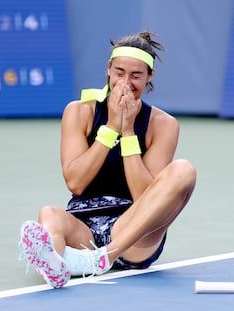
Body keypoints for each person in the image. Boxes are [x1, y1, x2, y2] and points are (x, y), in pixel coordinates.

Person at [19, 31, 197, 288]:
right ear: (109, 70)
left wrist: (127, 131)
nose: (126, 82)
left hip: (135, 236)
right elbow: (76, 183)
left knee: (183, 171)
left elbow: (145, 198)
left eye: (136, 75)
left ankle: (105, 257)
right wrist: (111, 126)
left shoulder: (164, 125)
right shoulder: (78, 111)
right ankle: (57, 266)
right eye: (119, 72)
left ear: (150, 77)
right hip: (83, 228)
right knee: (49, 215)